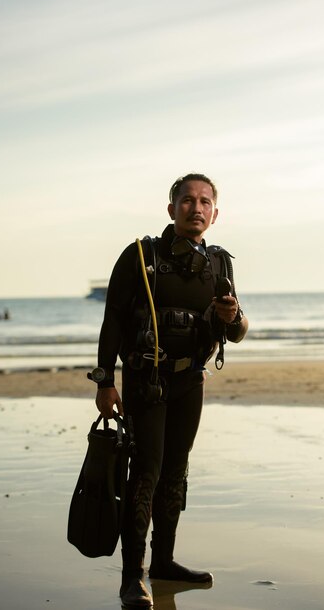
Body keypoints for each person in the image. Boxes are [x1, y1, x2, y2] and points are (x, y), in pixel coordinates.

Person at [89, 173, 248, 608]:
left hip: (189, 380)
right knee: (145, 474)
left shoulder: (220, 264)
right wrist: (105, 380)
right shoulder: (142, 255)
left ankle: (164, 562)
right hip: (146, 381)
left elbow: (237, 331)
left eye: (204, 202)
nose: (195, 208)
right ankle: (131, 577)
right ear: (171, 208)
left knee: (176, 474)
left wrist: (231, 316)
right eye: (186, 200)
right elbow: (114, 320)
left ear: (215, 214)